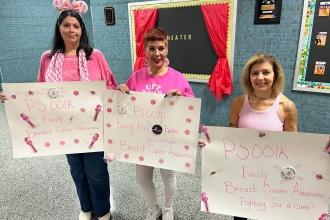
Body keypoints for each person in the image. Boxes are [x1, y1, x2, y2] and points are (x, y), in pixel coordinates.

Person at [1, 2, 117, 220]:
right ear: (59, 27)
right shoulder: (48, 58)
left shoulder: (95, 56)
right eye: (67, 25)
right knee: (77, 171)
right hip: (64, 128)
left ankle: (102, 211)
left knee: (97, 172)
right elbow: (38, 92)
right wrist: (14, 99)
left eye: (76, 25)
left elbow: (110, 84)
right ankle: (86, 208)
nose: (71, 30)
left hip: (92, 126)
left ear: (82, 29)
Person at [118, 27, 194, 220]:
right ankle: (154, 209)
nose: (157, 53)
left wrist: (182, 98)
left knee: (168, 177)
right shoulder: (136, 77)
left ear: (167, 49)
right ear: (145, 51)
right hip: (142, 138)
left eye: (161, 48)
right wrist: (120, 94)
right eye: (152, 48)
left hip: (168, 139)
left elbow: (190, 109)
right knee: (142, 178)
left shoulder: (178, 78)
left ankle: (168, 208)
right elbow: (126, 108)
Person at [230, 52, 298, 220]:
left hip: (272, 174)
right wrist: (210, 144)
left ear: (275, 76)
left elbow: (293, 144)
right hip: (243, 171)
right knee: (240, 213)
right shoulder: (239, 102)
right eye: (255, 73)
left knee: (267, 214)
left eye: (266, 72)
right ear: (249, 77)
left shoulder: (286, 106)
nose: (260, 77)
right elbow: (230, 134)